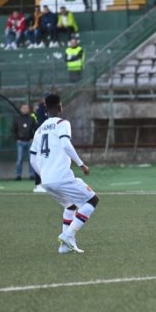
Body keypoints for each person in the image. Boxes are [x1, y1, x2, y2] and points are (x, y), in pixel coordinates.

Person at [29, 94, 98, 254]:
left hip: (46, 181)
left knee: (70, 205)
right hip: (61, 177)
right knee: (92, 200)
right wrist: (82, 165)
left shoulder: (39, 129)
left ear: (46, 108)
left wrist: (44, 175)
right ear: (60, 108)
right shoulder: (62, 123)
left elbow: (32, 159)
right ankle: (68, 234)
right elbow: (66, 144)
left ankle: (64, 247)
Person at [14, 104, 38, 181]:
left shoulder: (31, 118)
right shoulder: (17, 119)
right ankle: (18, 175)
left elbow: (36, 129)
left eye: (26, 108)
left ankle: (32, 175)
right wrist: (17, 138)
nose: (25, 110)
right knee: (19, 159)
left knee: (31, 159)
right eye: (23, 108)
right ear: (20, 109)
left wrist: (33, 138)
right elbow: (13, 130)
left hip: (30, 141)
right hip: (20, 142)